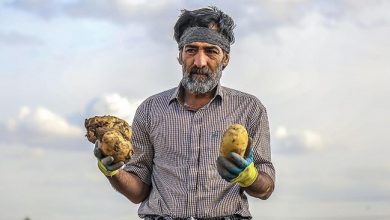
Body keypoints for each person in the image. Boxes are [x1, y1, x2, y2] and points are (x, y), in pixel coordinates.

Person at [94, 6, 275, 220]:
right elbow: (138, 192)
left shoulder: (249, 109)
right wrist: (113, 171)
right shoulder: (150, 109)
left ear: (225, 58)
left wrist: (249, 177)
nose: (200, 62)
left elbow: (266, 188)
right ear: (180, 56)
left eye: (211, 51)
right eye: (191, 50)